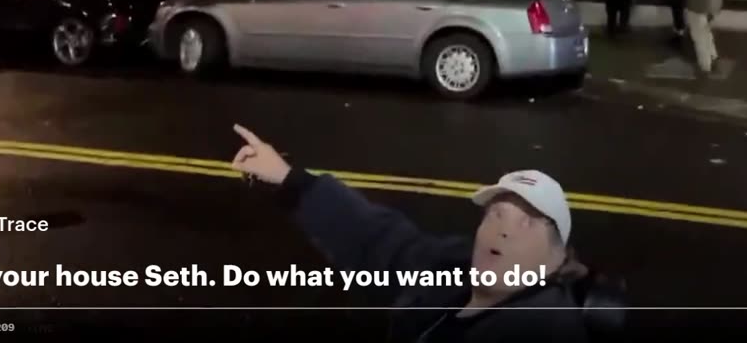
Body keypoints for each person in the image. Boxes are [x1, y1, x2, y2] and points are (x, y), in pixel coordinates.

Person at [229, 124, 594, 342]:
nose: (503, 231)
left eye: (528, 222)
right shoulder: (450, 271)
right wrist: (290, 180)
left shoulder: (544, 328)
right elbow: (378, 240)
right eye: (496, 214)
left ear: (557, 258)